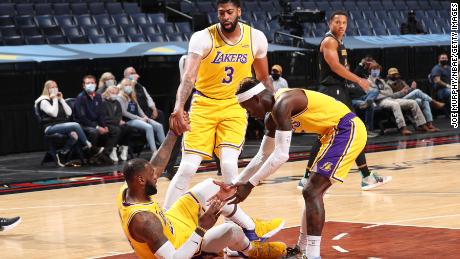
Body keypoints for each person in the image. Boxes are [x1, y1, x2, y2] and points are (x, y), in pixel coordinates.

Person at [219, 78, 371, 259]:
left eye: (248, 108)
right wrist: (237, 183)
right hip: (329, 135)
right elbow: (263, 155)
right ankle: (301, 250)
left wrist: (250, 185)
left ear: (256, 99)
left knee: (311, 191)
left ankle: (313, 255)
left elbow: (282, 155)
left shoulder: (283, 103)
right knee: (311, 192)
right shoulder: (271, 118)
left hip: (346, 128)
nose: (249, 114)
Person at [166, 0, 276, 235]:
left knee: (228, 164)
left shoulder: (255, 38)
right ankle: (166, 223)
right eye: (221, 13)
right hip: (204, 104)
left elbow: (264, 78)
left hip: (235, 106)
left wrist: (274, 107)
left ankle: (231, 227)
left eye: (229, 12)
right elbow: (189, 77)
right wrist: (178, 106)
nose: (225, 17)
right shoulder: (202, 37)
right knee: (187, 167)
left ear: (239, 12)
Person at [117, 125, 287, 258]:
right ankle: (251, 251)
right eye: (152, 175)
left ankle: (251, 227)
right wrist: (201, 228)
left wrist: (173, 133)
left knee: (213, 186)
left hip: (173, 222)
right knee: (232, 232)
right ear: (140, 180)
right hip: (183, 248)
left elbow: (156, 165)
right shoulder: (145, 221)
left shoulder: (128, 189)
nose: (156, 175)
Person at [299, 11, 391, 192]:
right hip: (333, 90)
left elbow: (339, 69)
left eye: (344, 23)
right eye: (337, 22)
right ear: (329, 24)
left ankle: (307, 177)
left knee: (330, 134)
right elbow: (334, 67)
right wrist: (359, 80)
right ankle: (366, 177)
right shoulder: (329, 41)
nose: (341, 25)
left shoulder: (338, 42)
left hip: (337, 89)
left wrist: (356, 72)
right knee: (354, 130)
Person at [34, 80, 99, 166]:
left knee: (74, 135)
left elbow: (69, 113)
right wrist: (55, 100)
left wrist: (61, 100)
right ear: (47, 89)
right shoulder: (43, 101)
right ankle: (89, 146)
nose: (55, 89)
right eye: (52, 87)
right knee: (75, 125)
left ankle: (62, 153)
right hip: (49, 127)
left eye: (56, 87)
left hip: (61, 125)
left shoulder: (57, 99)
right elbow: (54, 113)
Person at [368, 63, 436, 135]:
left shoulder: (382, 81)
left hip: (390, 98)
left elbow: (389, 92)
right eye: (374, 69)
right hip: (380, 101)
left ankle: (422, 125)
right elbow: (373, 94)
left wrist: (380, 92)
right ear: (370, 71)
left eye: (378, 69)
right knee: (395, 104)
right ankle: (403, 128)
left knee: (413, 102)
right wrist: (382, 93)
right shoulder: (367, 81)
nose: (376, 71)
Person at [75, 75, 119, 164]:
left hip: (96, 123)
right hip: (84, 124)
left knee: (116, 130)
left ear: (95, 84)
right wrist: (97, 127)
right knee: (93, 132)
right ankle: (91, 156)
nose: (90, 85)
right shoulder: (80, 98)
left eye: (92, 83)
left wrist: (104, 126)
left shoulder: (98, 96)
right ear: (83, 85)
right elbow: (81, 117)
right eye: (88, 83)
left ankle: (105, 154)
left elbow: (101, 114)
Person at [118, 78, 166, 155]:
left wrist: (144, 117)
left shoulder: (132, 96)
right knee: (149, 127)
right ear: (122, 87)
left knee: (158, 126)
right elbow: (124, 112)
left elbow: (139, 109)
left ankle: (166, 148)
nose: (128, 86)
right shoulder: (120, 97)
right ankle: (154, 151)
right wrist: (139, 118)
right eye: (126, 85)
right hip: (128, 120)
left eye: (130, 85)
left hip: (138, 119)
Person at [101, 86, 131, 162]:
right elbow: (104, 117)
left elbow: (119, 114)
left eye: (116, 93)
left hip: (115, 123)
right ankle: (111, 150)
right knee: (116, 130)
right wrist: (117, 121)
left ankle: (124, 148)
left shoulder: (117, 102)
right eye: (112, 93)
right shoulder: (103, 102)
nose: (114, 94)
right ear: (107, 92)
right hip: (106, 124)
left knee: (127, 127)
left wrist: (118, 121)